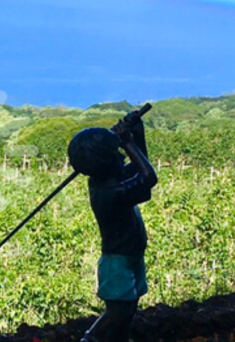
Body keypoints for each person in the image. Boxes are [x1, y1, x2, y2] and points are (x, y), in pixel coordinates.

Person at [67, 110, 158, 342]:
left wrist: (136, 132)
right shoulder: (111, 193)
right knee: (117, 313)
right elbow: (148, 178)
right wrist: (128, 142)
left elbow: (141, 165)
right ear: (106, 163)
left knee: (126, 314)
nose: (122, 157)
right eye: (118, 154)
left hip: (130, 257)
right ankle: (89, 339)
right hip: (117, 262)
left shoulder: (106, 179)